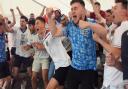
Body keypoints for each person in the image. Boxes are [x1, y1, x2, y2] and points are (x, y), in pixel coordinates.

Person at [47, 0, 107, 89]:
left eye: (75, 8)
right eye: (72, 9)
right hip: (74, 67)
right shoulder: (69, 25)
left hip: (89, 69)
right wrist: (50, 18)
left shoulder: (91, 22)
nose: (73, 11)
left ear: (83, 10)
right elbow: (55, 33)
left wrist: (88, 24)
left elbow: (104, 32)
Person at [93, 0, 128, 88]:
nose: (113, 11)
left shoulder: (124, 27)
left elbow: (116, 53)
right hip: (110, 78)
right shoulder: (116, 26)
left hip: (115, 82)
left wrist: (98, 39)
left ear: (125, 11)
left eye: (115, 8)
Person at [24, 17, 49, 89]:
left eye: (37, 23)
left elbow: (49, 47)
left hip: (45, 58)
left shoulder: (48, 35)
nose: (36, 25)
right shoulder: (34, 37)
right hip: (37, 58)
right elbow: (29, 45)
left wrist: (42, 46)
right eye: (35, 24)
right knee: (33, 78)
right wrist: (26, 47)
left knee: (45, 78)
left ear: (44, 24)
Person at [0, 14, 11, 89]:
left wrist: (4, 21)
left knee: (9, 79)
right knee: (2, 80)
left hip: (4, 60)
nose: (2, 26)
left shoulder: (3, 33)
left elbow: (8, 29)